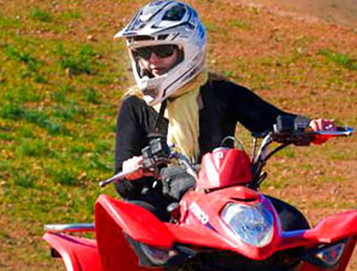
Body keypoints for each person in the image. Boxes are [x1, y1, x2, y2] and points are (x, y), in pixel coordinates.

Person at [113, 0, 336, 227]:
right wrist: (131, 171)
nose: (152, 61)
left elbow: (272, 120)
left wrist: (311, 127)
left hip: (225, 198)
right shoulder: (135, 105)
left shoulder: (222, 93)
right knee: (133, 221)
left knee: (291, 223)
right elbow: (122, 185)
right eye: (143, 52)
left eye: (163, 50)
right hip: (165, 200)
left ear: (189, 50)